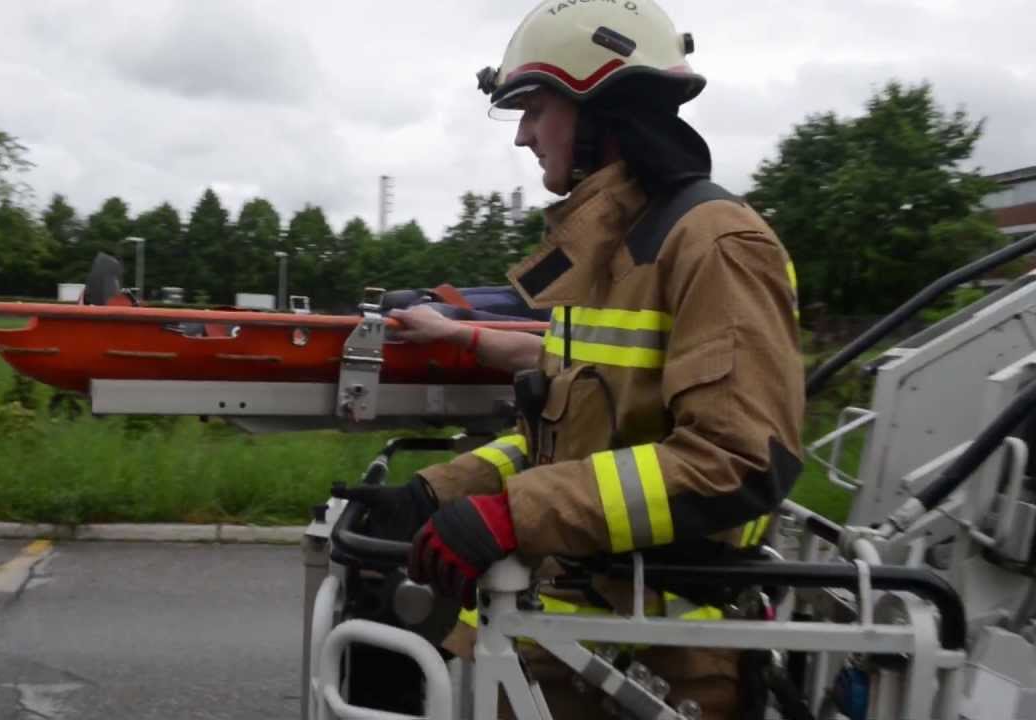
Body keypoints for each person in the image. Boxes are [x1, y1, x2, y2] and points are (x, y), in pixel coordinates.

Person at [336, 0, 804, 717]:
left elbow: (736, 461)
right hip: (576, 627)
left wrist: (510, 516)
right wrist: (435, 492)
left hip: (666, 655)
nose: (522, 134)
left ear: (600, 105)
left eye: (534, 107)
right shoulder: (611, 255)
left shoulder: (715, 245)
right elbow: (558, 439)